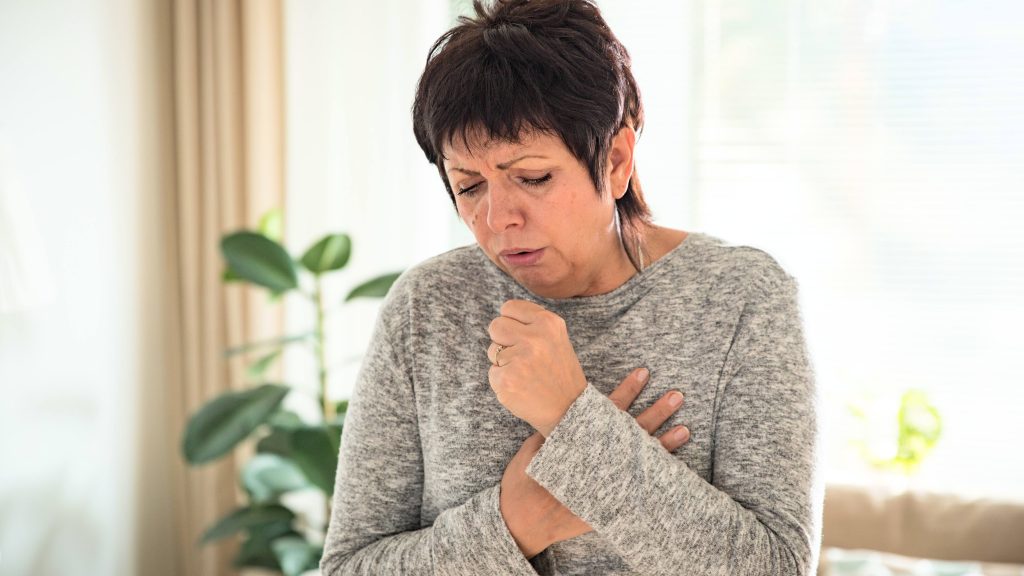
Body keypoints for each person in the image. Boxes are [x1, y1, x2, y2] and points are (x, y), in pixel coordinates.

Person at [320, 0, 822, 574]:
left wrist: (571, 418)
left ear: (614, 160)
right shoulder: (427, 307)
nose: (498, 218)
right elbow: (347, 567)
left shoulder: (742, 300)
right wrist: (517, 522)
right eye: (469, 186)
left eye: (532, 177)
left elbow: (777, 567)